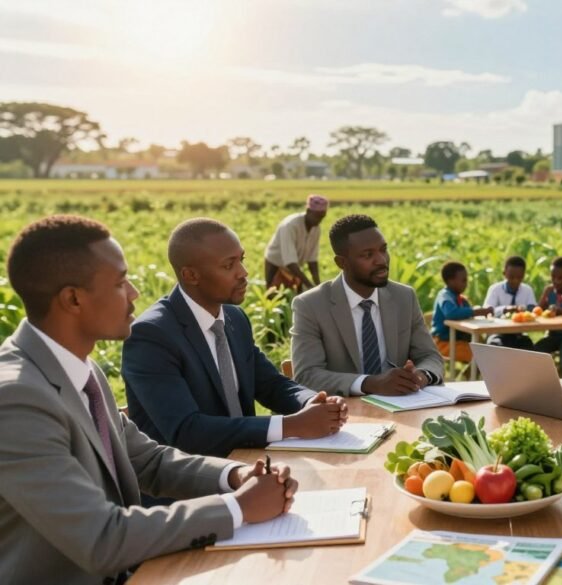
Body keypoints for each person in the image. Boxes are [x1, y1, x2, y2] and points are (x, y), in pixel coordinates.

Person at [0, 216, 299, 584]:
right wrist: (237, 508)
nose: (134, 294)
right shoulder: (15, 398)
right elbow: (101, 537)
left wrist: (234, 475)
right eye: (120, 282)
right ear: (72, 299)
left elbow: (149, 460)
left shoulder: (81, 370)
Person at [123, 218, 346, 458]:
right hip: (191, 485)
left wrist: (313, 402)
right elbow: (187, 432)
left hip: (248, 463)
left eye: (241, 259)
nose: (243, 273)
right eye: (229, 265)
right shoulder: (151, 336)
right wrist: (291, 425)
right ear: (190, 275)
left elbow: (270, 384)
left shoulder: (234, 317)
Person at [290, 214, 445, 396]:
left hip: (401, 407)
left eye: (383, 250)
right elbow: (307, 375)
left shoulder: (404, 297)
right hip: (344, 414)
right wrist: (369, 384)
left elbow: (430, 356)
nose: (381, 260)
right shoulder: (310, 305)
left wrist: (420, 376)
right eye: (368, 255)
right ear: (342, 263)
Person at [263, 194, 328, 292]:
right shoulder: (290, 226)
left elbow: (312, 260)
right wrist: (310, 285)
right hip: (276, 264)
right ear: (308, 211)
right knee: (274, 296)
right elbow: (290, 262)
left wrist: (318, 285)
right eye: (317, 216)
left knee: (295, 298)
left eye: (322, 217)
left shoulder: (316, 228)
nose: (319, 220)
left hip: (294, 267)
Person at [431, 261, 493, 363]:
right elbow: (451, 313)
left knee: (483, 348)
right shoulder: (445, 296)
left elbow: (466, 313)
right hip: (443, 342)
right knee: (478, 356)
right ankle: (473, 376)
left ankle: (472, 375)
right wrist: (476, 311)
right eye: (463, 280)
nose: (466, 284)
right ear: (451, 281)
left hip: (458, 341)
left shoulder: (460, 298)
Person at [484, 255, 536, 350]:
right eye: (511, 277)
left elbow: (532, 308)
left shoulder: (527, 290)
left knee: (528, 347)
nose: (515, 280)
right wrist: (505, 309)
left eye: (519, 277)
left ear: (524, 275)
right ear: (504, 273)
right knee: (495, 346)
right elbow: (487, 310)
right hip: (497, 332)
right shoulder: (495, 289)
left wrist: (525, 310)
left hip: (518, 334)